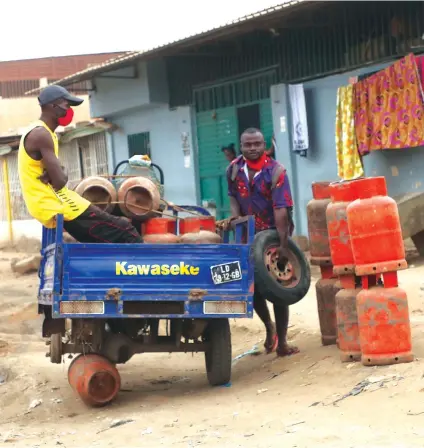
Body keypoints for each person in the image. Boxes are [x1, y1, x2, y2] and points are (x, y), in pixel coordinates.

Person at [18, 85, 142, 244]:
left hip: (59, 203)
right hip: (60, 206)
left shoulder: (43, 132)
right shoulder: (41, 134)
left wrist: (60, 171)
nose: (69, 110)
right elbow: (60, 182)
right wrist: (60, 173)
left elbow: (57, 176)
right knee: (126, 230)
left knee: (105, 240)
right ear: (53, 106)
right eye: (66, 105)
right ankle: (147, 268)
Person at [226, 127, 298, 357]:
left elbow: (281, 210)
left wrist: (283, 246)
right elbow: (233, 198)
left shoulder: (276, 172)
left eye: (257, 144)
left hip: (273, 234)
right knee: (253, 288)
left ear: (263, 144)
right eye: (248, 144)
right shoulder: (234, 169)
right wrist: (236, 218)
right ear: (241, 145)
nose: (253, 148)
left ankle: (284, 343)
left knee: (278, 289)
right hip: (247, 236)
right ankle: (270, 327)